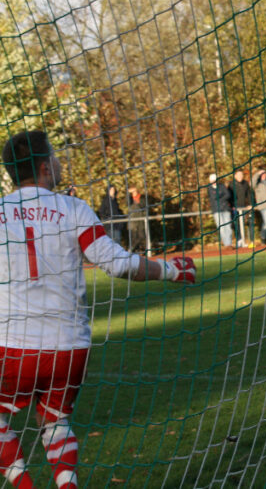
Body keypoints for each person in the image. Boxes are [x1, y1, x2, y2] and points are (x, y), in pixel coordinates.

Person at [0, 130, 194, 489]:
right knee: (56, 421)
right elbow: (117, 265)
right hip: (69, 346)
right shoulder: (73, 209)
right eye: (56, 157)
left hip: (12, 345)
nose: (60, 163)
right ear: (45, 167)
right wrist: (171, 269)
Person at [207, 174, 234, 248]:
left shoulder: (222, 186)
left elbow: (228, 195)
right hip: (216, 210)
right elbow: (214, 197)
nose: (214, 182)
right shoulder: (209, 188)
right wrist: (222, 195)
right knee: (221, 228)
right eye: (212, 180)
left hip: (225, 209)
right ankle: (226, 244)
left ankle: (229, 244)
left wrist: (219, 196)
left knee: (228, 227)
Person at [230, 170, 253, 248]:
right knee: (235, 224)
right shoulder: (231, 185)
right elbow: (229, 196)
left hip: (243, 208)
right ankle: (239, 240)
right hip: (235, 208)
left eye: (241, 175)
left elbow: (249, 194)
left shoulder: (245, 184)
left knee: (244, 223)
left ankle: (245, 241)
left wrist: (250, 204)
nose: (240, 176)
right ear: (235, 176)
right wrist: (232, 206)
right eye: (239, 175)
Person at [126, 187, 150, 254]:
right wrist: (128, 193)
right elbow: (127, 202)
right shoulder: (130, 199)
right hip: (133, 220)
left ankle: (134, 249)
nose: (134, 192)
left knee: (141, 236)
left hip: (141, 219)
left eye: (134, 190)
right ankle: (133, 250)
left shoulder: (142, 198)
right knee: (133, 236)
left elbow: (143, 206)